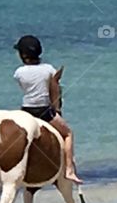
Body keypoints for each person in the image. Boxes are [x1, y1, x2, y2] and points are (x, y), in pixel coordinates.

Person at [13, 35, 83, 184]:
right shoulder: (49, 69)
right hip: (44, 112)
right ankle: (69, 170)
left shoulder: (19, 73)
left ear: (23, 55)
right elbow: (53, 88)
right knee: (68, 133)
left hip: (26, 111)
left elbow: (25, 88)